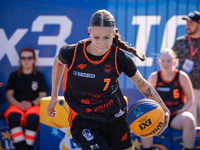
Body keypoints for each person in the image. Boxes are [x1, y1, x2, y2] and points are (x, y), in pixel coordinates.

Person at [46, 9, 170, 150]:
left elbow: (141, 83)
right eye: (96, 37)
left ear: (114, 33)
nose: (101, 43)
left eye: (107, 37)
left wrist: (164, 108)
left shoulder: (119, 57)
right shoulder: (72, 52)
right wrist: (54, 96)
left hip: (114, 116)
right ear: (89, 32)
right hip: (83, 119)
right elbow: (58, 61)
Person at [141, 48, 196, 150]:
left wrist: (181, 111)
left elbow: (190, 99)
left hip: (176, 116)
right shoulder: (154, 77)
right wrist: (155, 114)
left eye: (169, 61)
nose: (166, 64)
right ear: (159, 62)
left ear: (174, 62)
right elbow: (147, 100)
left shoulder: (182, 77)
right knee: (143, 119)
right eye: (163, 61)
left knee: (189, 120)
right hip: (159, 115)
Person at [4, 47, 48, 150]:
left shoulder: (39, 76)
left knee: (33, 119)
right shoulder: (14, 76)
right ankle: (22, 148)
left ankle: (26, 148)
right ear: (20, 60)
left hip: (33, 105)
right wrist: (18, 105)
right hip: (16, 105)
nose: (26, 61)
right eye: (23, 58)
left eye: (29, 58)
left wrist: (31, 104)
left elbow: (43, 95)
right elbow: (9, 95)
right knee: (13, 118)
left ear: (34, 60)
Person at [172, 10, 200, 126]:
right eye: (187, 23)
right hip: (188, 91)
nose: (188, 26)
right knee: (192, 124)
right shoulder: (180, 42)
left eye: (191, 23)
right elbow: (170, 62)